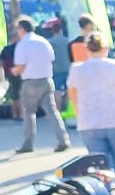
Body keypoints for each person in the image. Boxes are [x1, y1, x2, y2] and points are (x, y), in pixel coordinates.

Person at [67, 34, 115, 195]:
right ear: (105, 48)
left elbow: (73, 94)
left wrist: (80, 112)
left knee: (99, 168)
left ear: (87, 49)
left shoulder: (77, 69)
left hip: (90, 122)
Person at [10, 16, 71, 153]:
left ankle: (28, 143)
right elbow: (51, 59)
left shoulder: (23, 44)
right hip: (46, 79)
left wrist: (14, 71)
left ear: (21, 29)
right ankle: (63, 140)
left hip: (31, 81)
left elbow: (21, 66)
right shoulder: (43, 41)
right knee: (52, 112)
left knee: (29, 113)